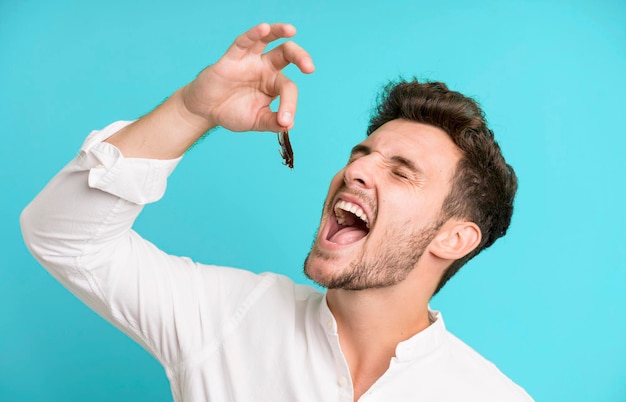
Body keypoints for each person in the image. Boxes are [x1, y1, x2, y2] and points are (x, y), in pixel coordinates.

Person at [21, 22, 533, 401]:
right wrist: (189, 112)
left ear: (454, 238)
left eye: (400, 172)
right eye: (361, 154)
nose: (356, 172)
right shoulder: (225, 318)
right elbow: (64, 237)